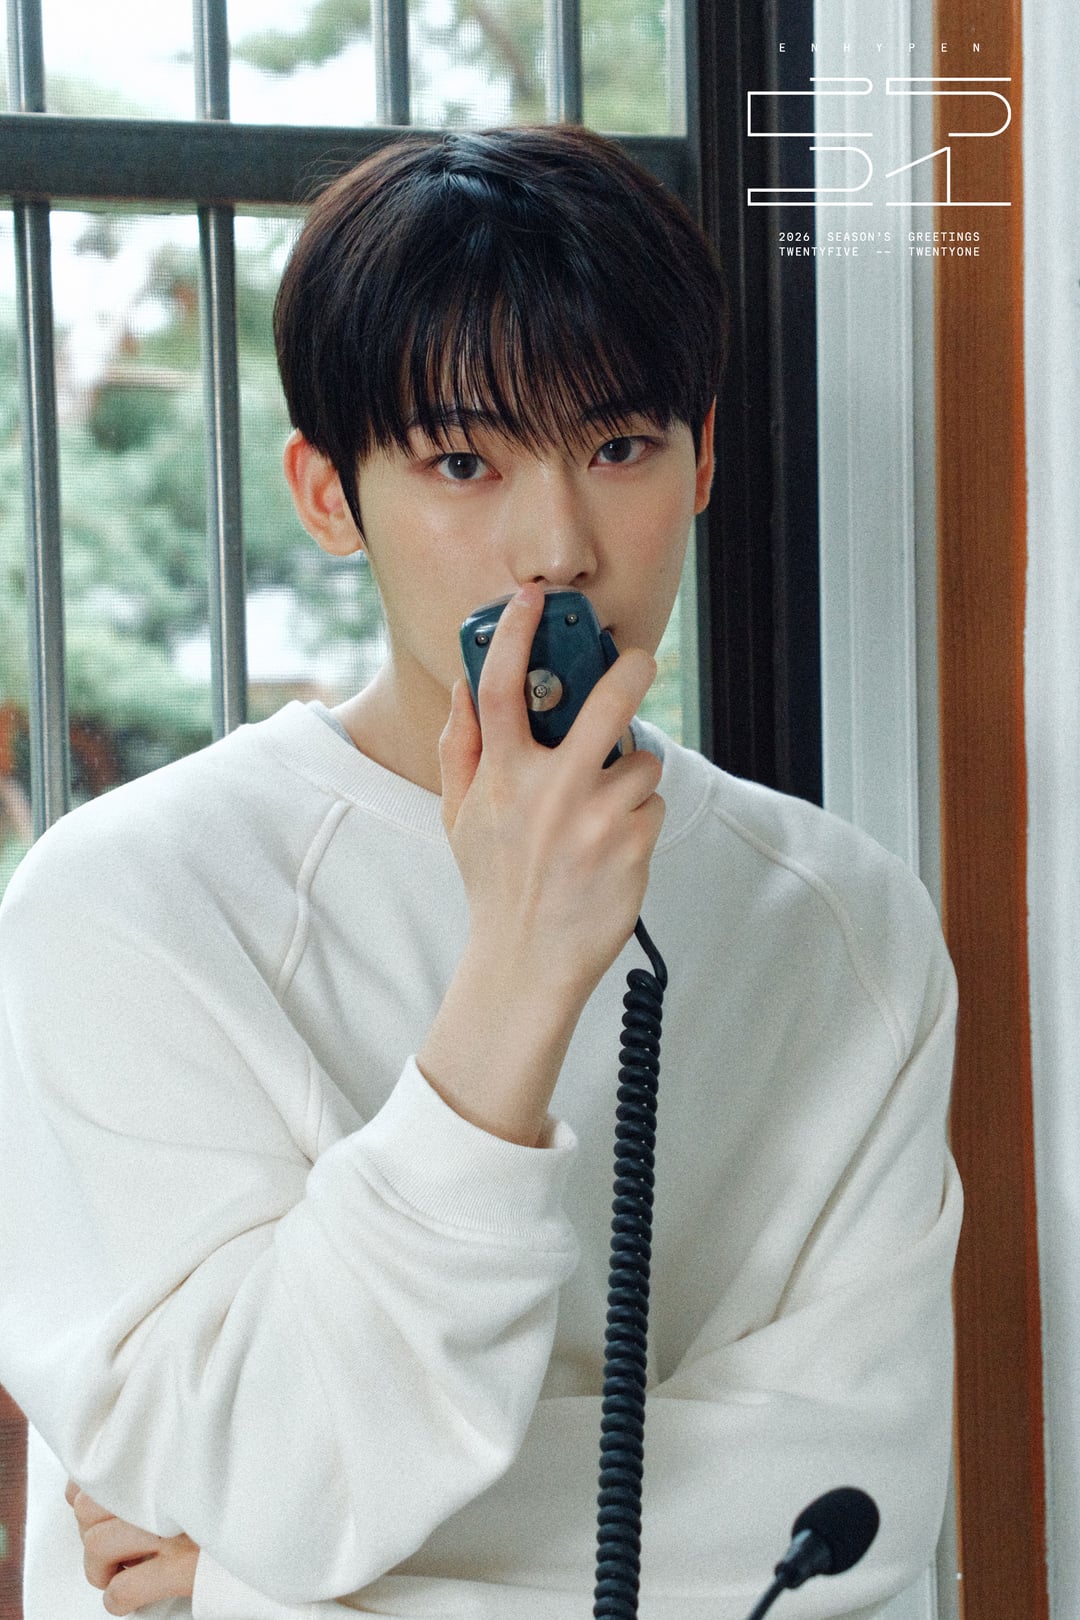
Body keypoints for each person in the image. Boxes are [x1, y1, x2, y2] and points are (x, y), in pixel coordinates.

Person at [0, 126, 961, 1619]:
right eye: (463, 462)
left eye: (620, 449)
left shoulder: (844, 921)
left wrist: (256, 1581)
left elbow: (845, 1518)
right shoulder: (121, 906)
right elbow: (272, 1469)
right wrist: (518, 971)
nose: (557, 546)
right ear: (329, 495)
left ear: (703, 459)